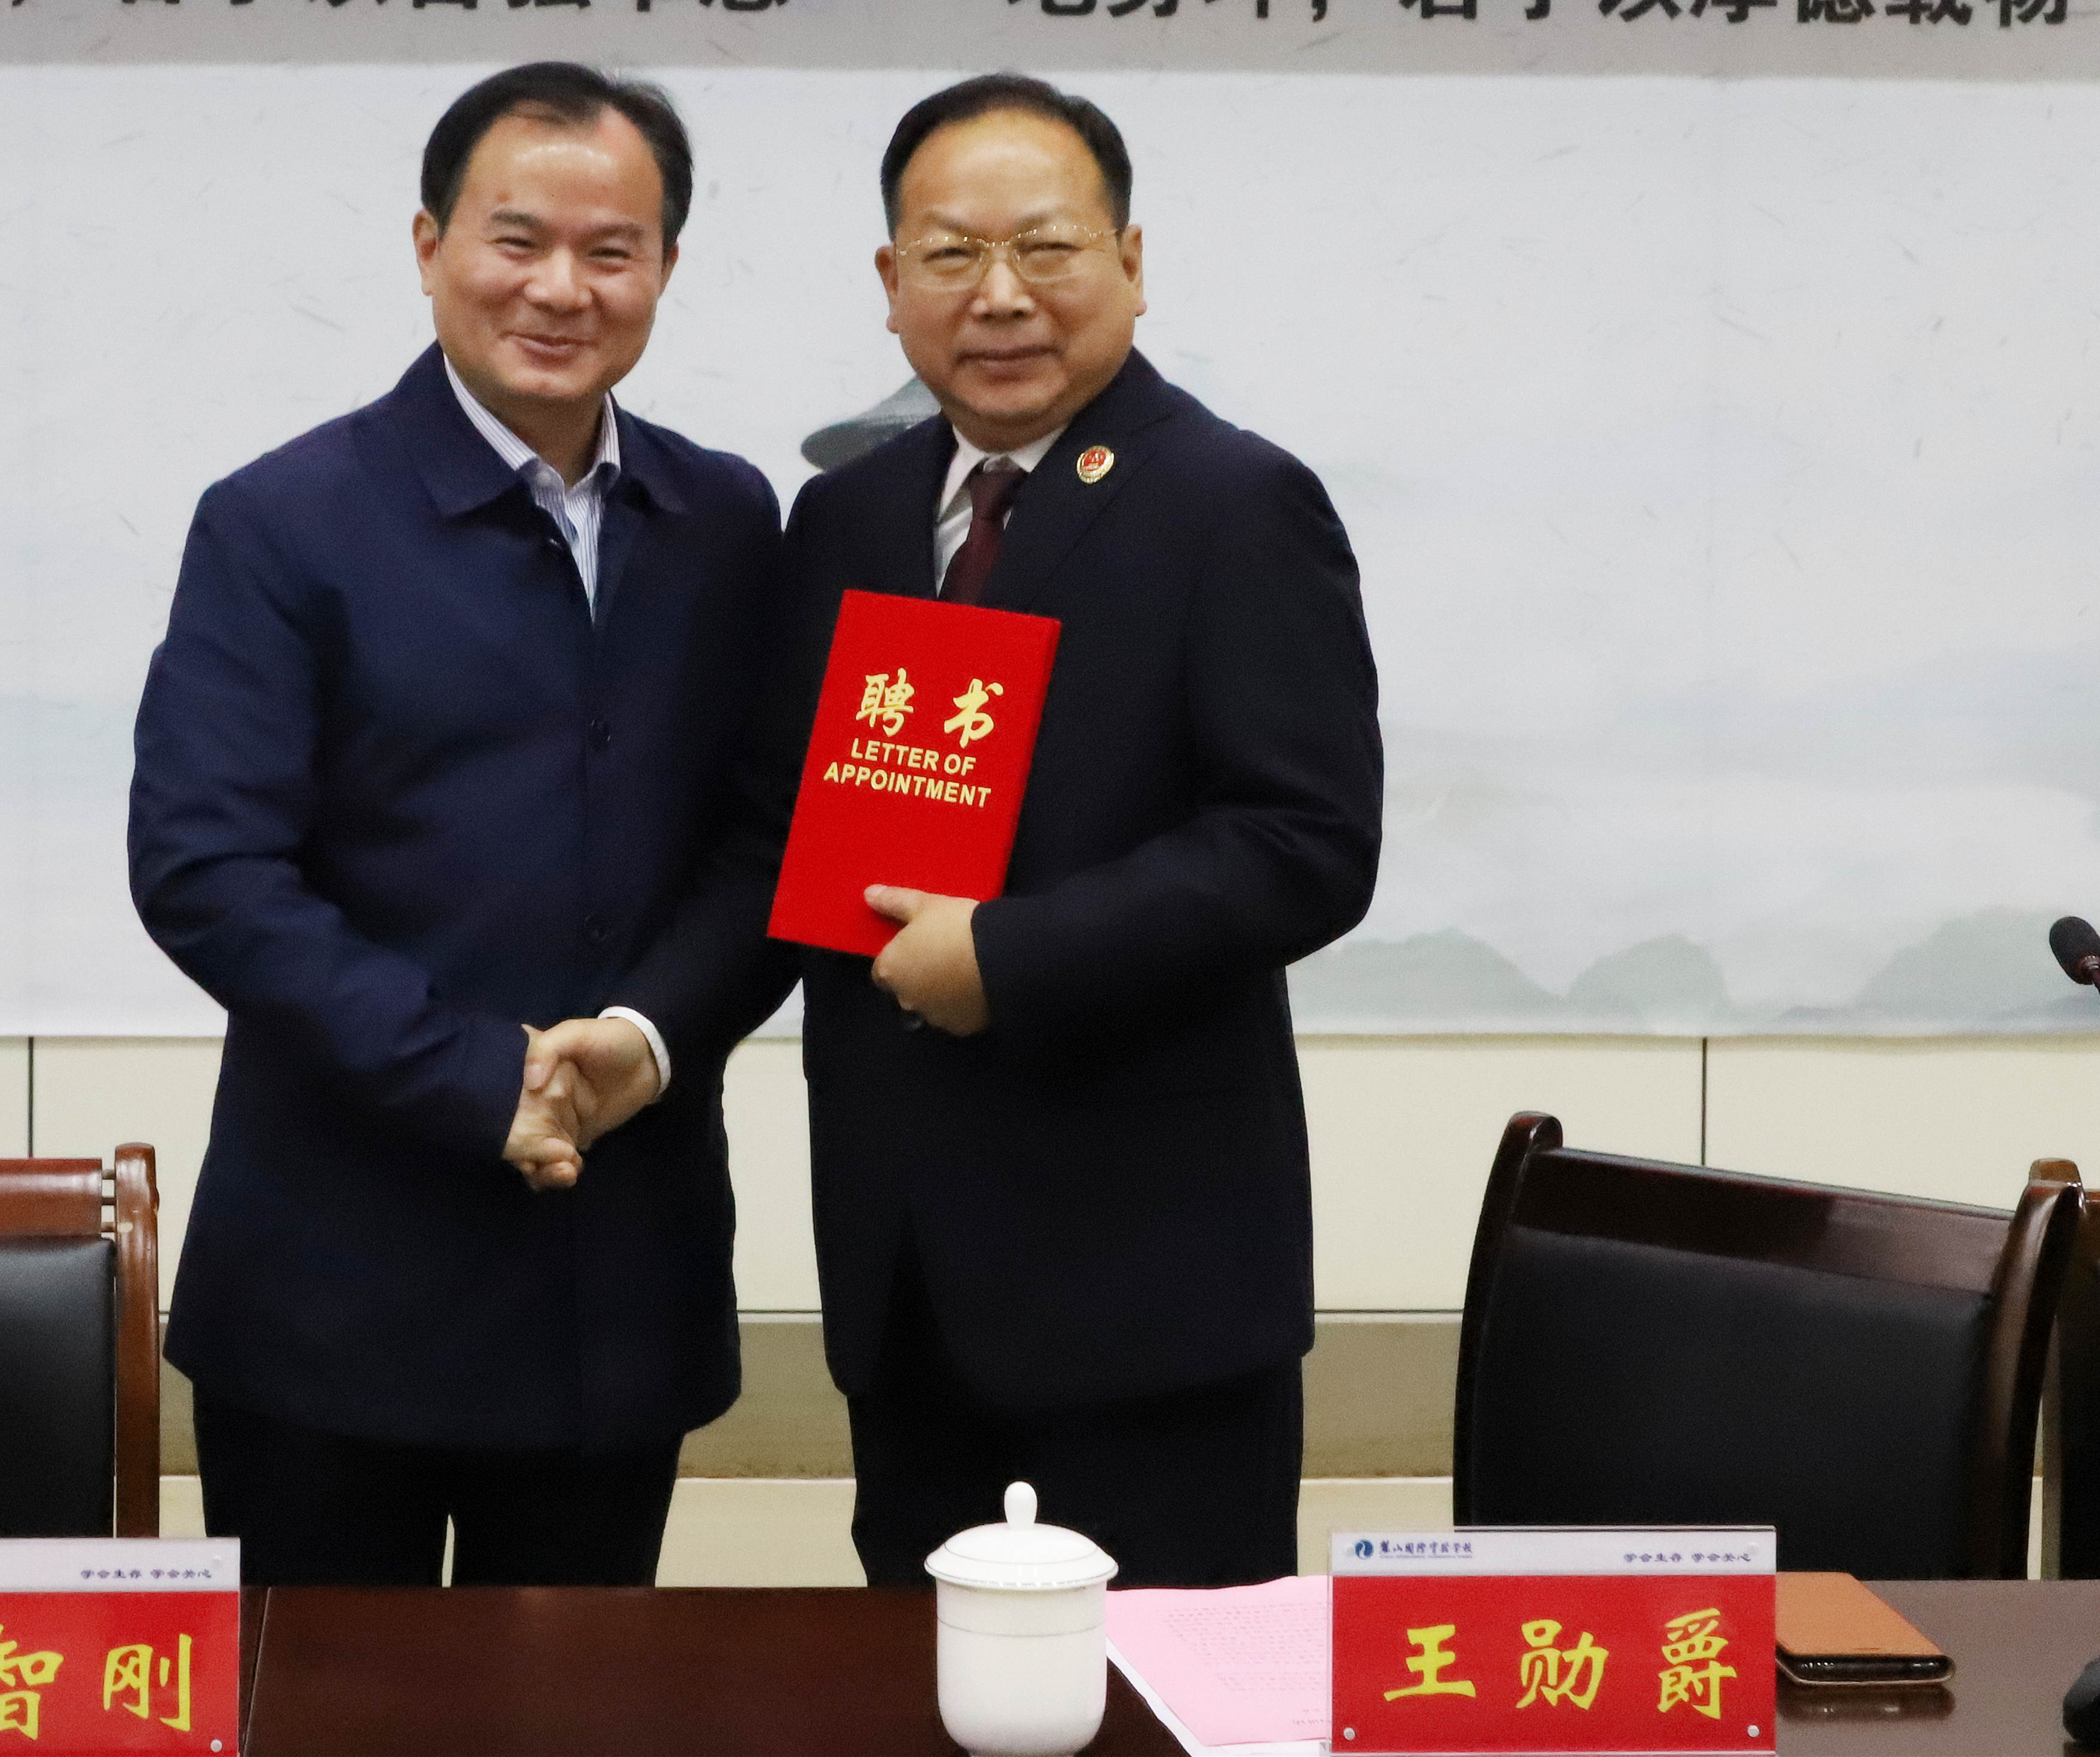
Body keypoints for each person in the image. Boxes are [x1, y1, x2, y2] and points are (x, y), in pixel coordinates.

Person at [552, 73, 1382, 1587]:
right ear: (892, 283)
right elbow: (781, 840)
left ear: (1132, 261)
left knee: (1155, 1688)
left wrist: (1011, 953)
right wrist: (650, 1030)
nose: (999, 297)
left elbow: (1304, 841)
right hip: (908, 1281)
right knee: (919, 1677)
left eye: (1045, 248)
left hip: (1151, 1290)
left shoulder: (1233, 502)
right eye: (950, 255)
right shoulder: (851, 520)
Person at [127, 61, 784, 1588]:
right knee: (319, 1696)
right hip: (335, 1280)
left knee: (579, 1693)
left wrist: (648, 1035)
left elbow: (769, 840)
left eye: (611, 250)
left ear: (665, 268)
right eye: (516, 239)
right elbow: (207, 869)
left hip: (619, 1269)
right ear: (429, 245)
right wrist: (477, 1074)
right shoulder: (284, 519)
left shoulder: (726, 520)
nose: (561, 288)